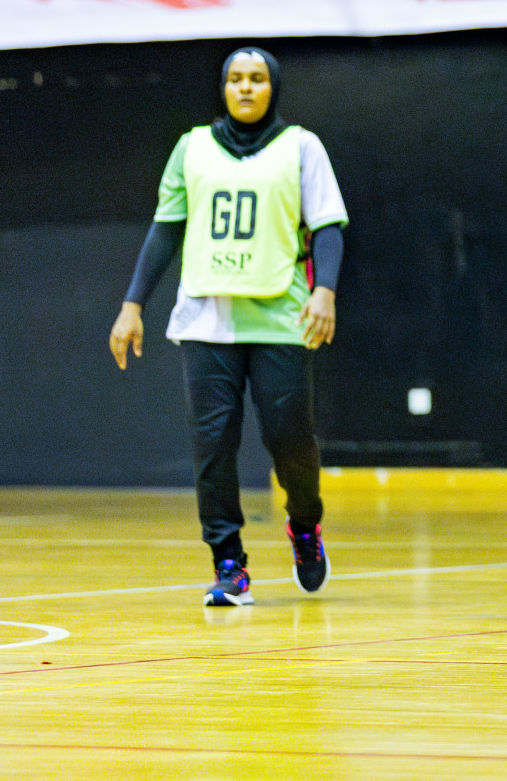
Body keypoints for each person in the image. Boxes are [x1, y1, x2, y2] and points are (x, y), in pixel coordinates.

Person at [109, 48, 345, 607]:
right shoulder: (191, 148)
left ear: (272, 88)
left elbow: (329, 226)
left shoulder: (301, 147)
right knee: (213, 449)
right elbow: (165, 230)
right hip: (205, 321)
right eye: (235, 79)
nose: (245, 88)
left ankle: (305, 527)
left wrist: (325, 291)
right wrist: (132, 304)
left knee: (291, 445)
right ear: (222, 88)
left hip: (281, 320)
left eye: (257, 79)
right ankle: (229, 566)